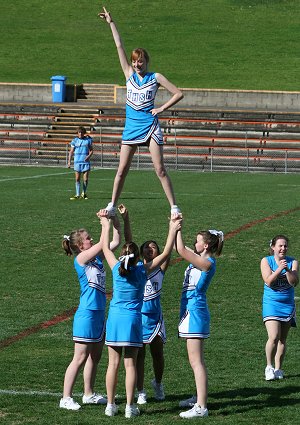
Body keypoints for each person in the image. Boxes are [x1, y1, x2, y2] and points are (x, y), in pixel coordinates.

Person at [98, 7, 183, 216]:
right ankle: (111, 205)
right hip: (131, 127)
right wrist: (111, 22)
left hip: (150, 126)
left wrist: (161, 108)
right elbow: (119, 45)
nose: (137, 64)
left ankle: (173, 206)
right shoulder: (128, 74)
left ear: (147, 61)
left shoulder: (156, 77)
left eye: (141, 61)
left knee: (160, 169)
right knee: (121, 170)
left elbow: (178, 93)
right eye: (135, 61)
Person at [98, 208, 182, 418]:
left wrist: (105, 225)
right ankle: (129, 406)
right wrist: (172, 229)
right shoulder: (141, 271)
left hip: (115, 321)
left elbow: (105, 248)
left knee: (113, 365)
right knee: (130, 365)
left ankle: (110, 405)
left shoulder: (116, 267)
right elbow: (165, 253)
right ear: (137, 257)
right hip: (134, 322)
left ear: (122, 255)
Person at [59, 215, 121, 410]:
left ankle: (88, 393)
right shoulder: (81, 259)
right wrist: (105, 224)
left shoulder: (95, 258)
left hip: (99, 313)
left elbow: (115, 242)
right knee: (79, 357)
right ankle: (66, 398)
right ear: (79, 245)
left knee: (95, 356)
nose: (91, 239)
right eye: (87, 238)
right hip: (86, 314)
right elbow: (104, 242)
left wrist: (116, 221)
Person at [175, 228, 224, 419]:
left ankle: (201, 406)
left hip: (196, 313)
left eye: (197, 241)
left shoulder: (208, 262)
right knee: (195, 361)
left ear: (205, 245)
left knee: (197, 362)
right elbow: (179, 247)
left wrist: (177, 226)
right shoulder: (200, 258)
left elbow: (180, 250)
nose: (194, 244)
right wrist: (174, 229)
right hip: (191, 313)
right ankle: (198, 397)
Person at [135, 240, 170, 405]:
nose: (150, 250)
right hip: (138, 318)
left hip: (155, 319)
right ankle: (140, 391)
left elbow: (168, 251)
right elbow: (129, 242)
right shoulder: (137, 268)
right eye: (146, 248)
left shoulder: (160, 268)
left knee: (157, 354)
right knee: (139, 356)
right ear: (141, 252)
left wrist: (174, 228)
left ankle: (157, 383)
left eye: (154, 247)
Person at [260, 234, 298, 381]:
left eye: (285, 246)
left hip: (287, 304)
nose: (283, 248)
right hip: (271, 304)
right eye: (280, 245)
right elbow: (268, 281)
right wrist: (279, 269)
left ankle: (278, 368)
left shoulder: (293, 262)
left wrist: (288, 270)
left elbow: (294, 282)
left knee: (283, 339)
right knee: (274, 336)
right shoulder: (266, 261)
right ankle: (269, 367)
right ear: (273, 247)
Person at [67, 126, 93, 200]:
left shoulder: (88, 140)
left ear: (84, 133)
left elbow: (91, 151)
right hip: (77, 162)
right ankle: (77, 194)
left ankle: (84, 193)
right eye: (79, 132)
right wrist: (69, 162)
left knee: (85, 179)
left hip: (85, 162)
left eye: (81, 132)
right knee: (77, 179)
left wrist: (88, 156)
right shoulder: (74, 141)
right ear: (77, 133)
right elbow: (71, 151)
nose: (80, 133)